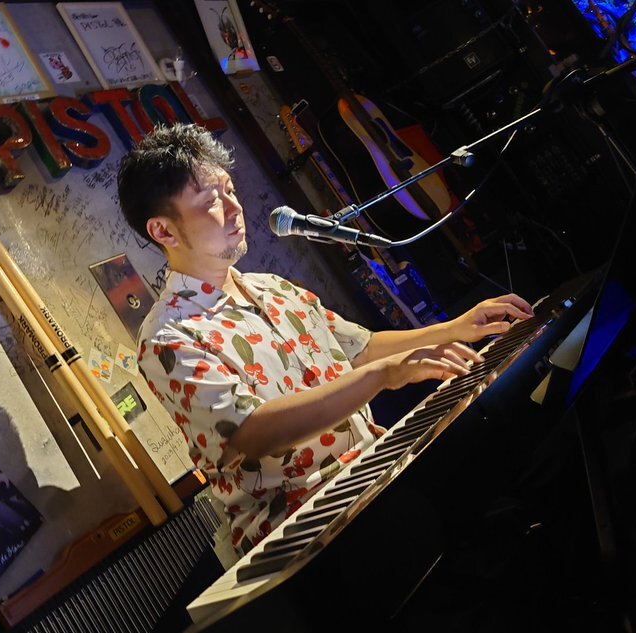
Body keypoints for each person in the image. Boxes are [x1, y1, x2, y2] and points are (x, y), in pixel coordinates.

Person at [118, 124, 534, 555]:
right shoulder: (167, 335)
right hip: (302, 528)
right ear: (164, 231)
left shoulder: (270, 287)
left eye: (230, 190)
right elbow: (254, 432)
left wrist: (455, 327)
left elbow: (361, 349)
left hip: (373, 474)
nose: (234, 207)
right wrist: (383, 376)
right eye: (211, 201)